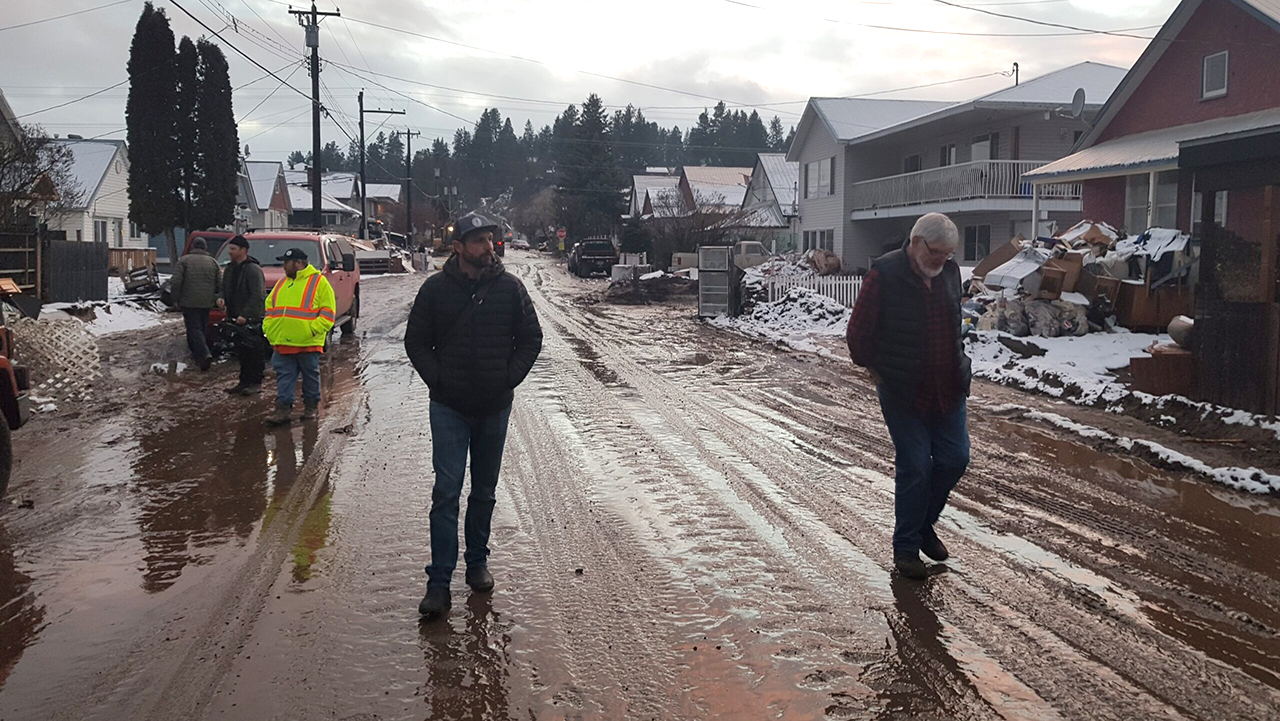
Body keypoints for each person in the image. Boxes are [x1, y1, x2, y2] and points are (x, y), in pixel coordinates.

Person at [404, 211, 543, 618]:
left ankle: (477, 562)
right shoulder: (434, 290)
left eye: (490, 239)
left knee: (484, 491)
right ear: (459, 247)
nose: (488, 246)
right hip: (448, 408)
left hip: (493, 407)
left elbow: (531, 337)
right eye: (479, 240)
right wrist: (439, 381)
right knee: (446, 493)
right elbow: (416, 342)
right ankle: (438, 584)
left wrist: (508, 378)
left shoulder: (510, 288)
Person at [845, 212, 971, 581]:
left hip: (948, 385)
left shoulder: (949, 273)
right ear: (916, 243)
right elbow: (858, 334)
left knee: (954, 458)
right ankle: (906, 549)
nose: (942, 262)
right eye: (936, 253)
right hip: (904, 390)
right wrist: (875, 368)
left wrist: (961, 362)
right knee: (916, 465)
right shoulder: (883, 275)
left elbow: (953, 323)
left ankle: (923, 524)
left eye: (948, 255)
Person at [263, 248, 336, 426]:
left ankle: (310, 408)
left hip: (308, 343)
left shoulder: (319, 282)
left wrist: (311, 330)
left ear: (298, 263)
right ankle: (283, 410)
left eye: (286, 263)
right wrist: (269, 329)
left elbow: (328, 313)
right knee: (284, 377)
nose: (283, 267)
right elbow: (270, 309)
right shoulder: (282, 283)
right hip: (282, 342)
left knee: (310, 377)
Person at [218, 235, 267, 395]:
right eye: (229, 249)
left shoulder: (253, 269)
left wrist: (245, 314)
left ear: (243, 250)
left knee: (254, 352)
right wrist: (221, 298)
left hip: (251, 319)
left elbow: (257, 295)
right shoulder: (230, 269)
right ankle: (243, 381)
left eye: (233, 249)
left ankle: (255, 383)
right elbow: (223, 288)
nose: (230, 252)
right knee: (242, 352)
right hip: (235, 317)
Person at [169, 237, 222, 371]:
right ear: (205, 248)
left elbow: (175, 282)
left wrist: (175, 299)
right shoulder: (213, 262)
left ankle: (204, 354)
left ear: (193, 246)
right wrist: (217, 298)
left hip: (189, 301)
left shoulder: (184, 261)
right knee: (202, 327)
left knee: (193, 328)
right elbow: (220, 284)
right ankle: (199, 356)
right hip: (207, 302)